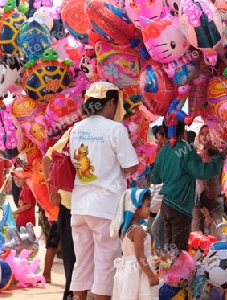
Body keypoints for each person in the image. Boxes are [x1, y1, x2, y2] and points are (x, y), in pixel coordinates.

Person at [68, 82, 139, 300]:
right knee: (105, 264)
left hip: (80, 206)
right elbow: (130, 166)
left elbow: (74, 163)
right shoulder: (115, 129)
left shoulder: (77, 128)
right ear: (111, 102)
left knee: (82, 261)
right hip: (105, 207)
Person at [150, 122, 227, 251]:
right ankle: (179, 270)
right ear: (182, 130)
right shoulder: (187, 149)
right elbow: (203, 172)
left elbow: (155, 178)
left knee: (171, 250)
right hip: (180, 205)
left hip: (166, 204)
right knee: (179, 251)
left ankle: (170, 269)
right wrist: (221, 156)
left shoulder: (163, 151)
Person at [43, 126, 76, 300]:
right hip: (71, 208)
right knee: (72, 264)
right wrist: (52, 190)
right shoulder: (74, 132)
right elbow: (48, 158)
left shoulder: (115, 129)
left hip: (91, 210)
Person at [110, 188, 159, 300]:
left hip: (129, 271)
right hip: (138, 272)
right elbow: (140, 255)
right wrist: (151, 276)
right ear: (135, 208)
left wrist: (156, 253)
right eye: (147, 206)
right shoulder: (138, 230)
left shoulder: (127, 229)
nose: (149, 209)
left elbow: (139, 249)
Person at [192, 146, 224, 239]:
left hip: (215, 199)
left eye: (203, 157)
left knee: (216, 233)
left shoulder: (219, 168)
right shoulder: (198, 168)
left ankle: (215, 252)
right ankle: (197, 251)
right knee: (196, 233)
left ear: (212, 158)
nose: (201, 159)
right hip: (198, 201)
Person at [149, 125, 167, 251]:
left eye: (159, 141)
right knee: (155, 231)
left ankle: (164, 261)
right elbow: (154, 187)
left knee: (157, 230)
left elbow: (160, 188)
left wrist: (151, 209)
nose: (157, 145)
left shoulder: (167, 158)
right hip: (155, 207)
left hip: (162, 207)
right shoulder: (161, 158)